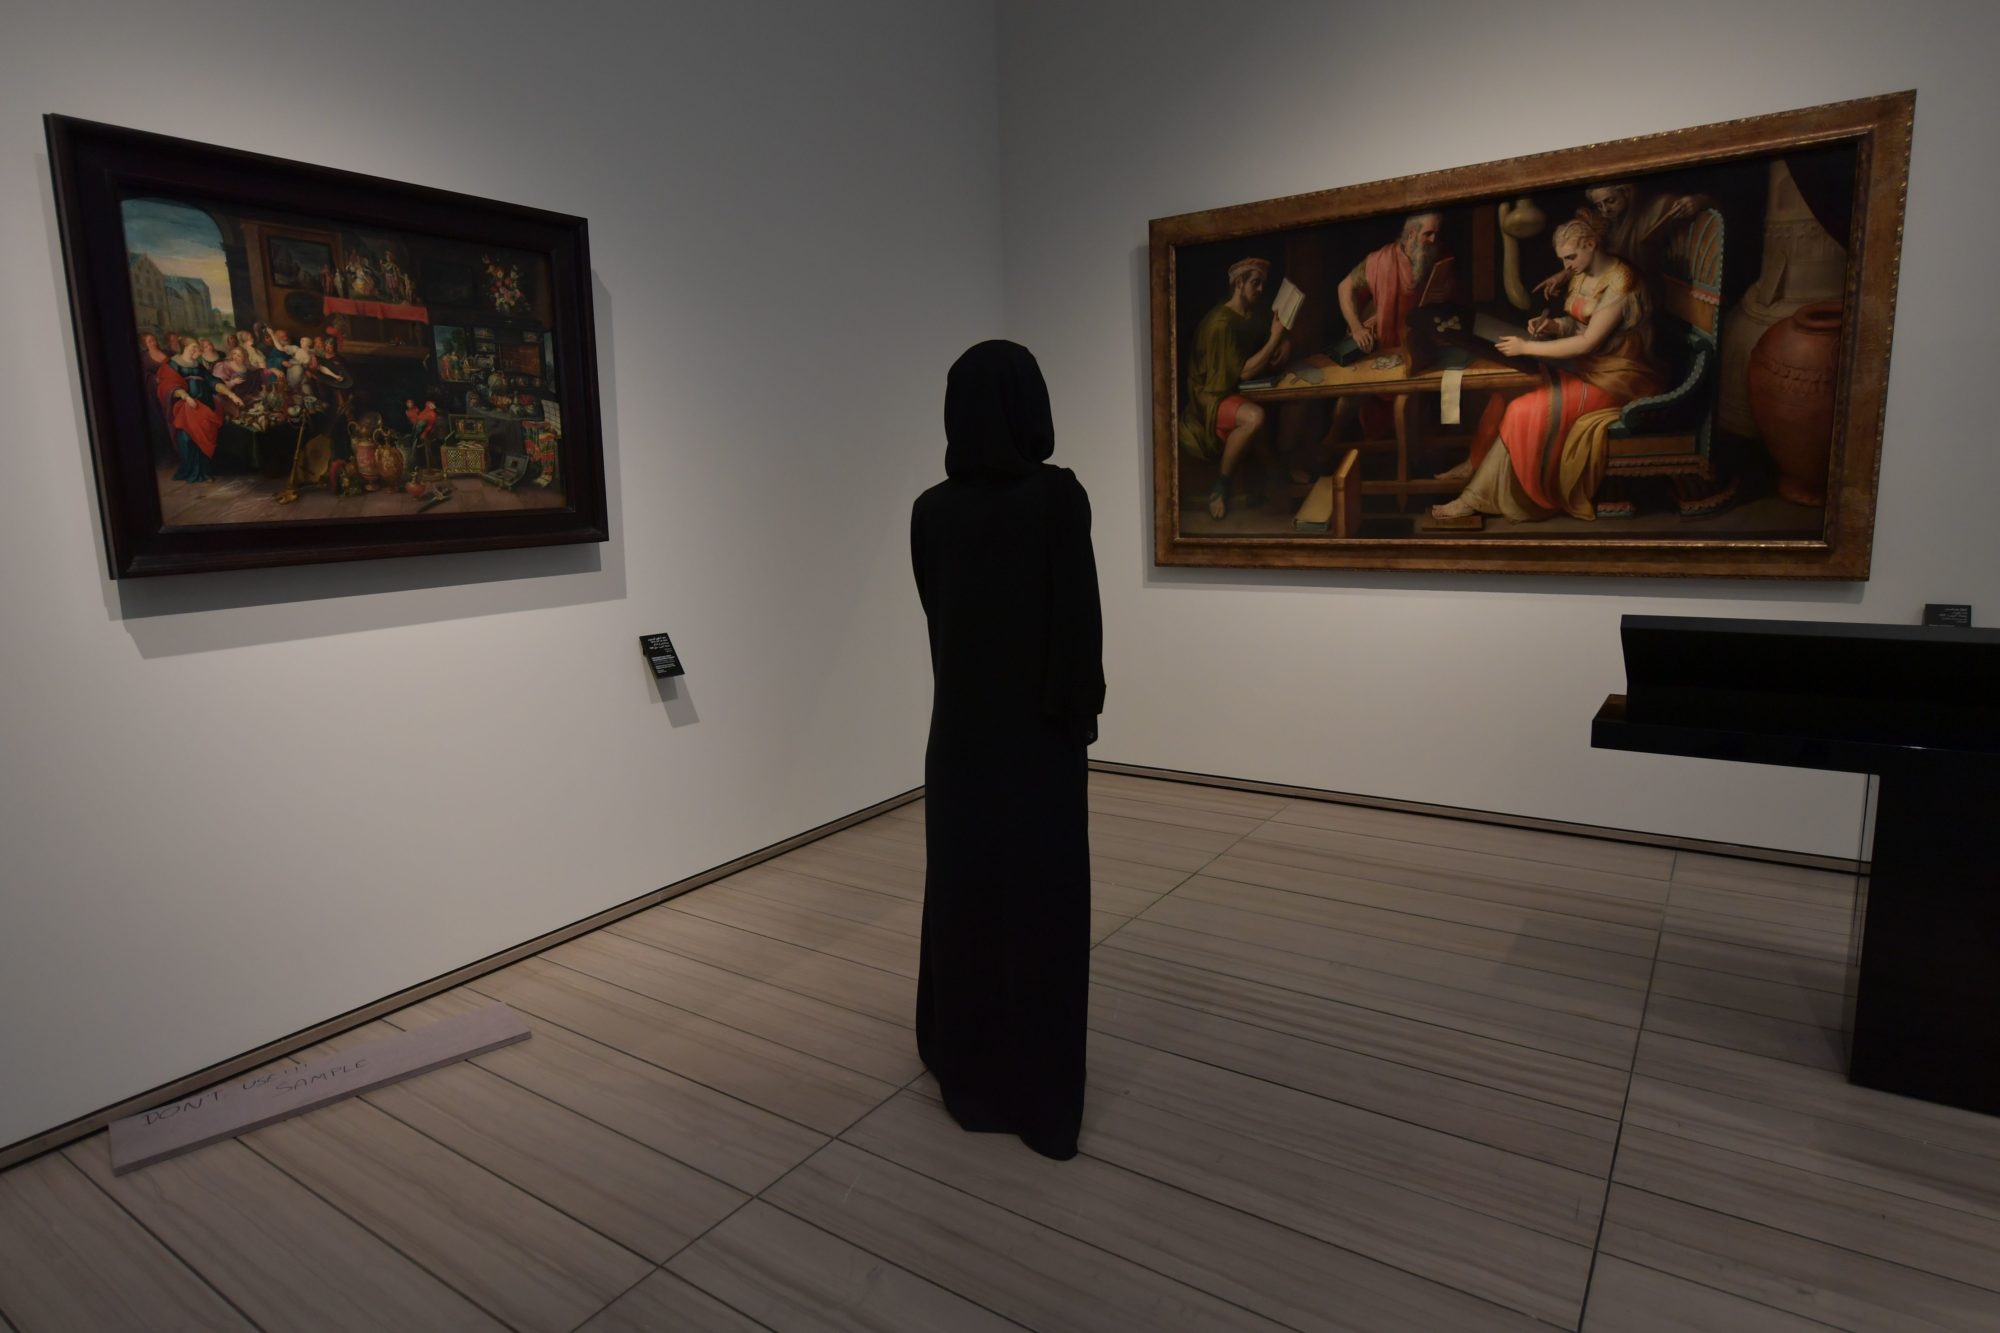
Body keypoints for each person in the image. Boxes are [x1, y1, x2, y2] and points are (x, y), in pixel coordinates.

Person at [909, 340, 1104, 1162]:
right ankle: (1035, 1090)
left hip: (958, 739)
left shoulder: (929, 508)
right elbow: (1077, 630)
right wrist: (1080, 719)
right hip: (1036, 740)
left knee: (967, 900)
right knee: (1039, 908)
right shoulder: (1056, 499)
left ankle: (962, 1056)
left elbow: (939, 624)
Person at [1432, 210, 1664, 521]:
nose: (1566, 267)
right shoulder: (1582, 273)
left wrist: (1527, 346)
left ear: (1591, 244)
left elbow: (1588, 342)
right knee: (1506, 393)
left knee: (1522, 410)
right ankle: (1475, 463)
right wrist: (1552, 325)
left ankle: (1474, 498)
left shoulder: (1623, 282)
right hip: (1586, 367)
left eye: (1570, 257)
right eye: (1563, 260)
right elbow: (1577, 325)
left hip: (1617, 377)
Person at [1177, 257, 1290, 519]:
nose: (1260, 289)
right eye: (1255, 283)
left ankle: (1276, 477)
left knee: (1265, 416)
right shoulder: (1221, 324)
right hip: (1210, 397)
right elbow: (1243, 372)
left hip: (1231, 390)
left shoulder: (1250, 312)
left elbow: (1269, 338)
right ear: (1238, 283)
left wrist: (1284, 343)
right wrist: (1274, 339)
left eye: (1262, 284)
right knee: (1254, 418)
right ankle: (1221, 487)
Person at [1337, 211, 1451, 356]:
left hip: (1418, 338)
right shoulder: (1380, 260)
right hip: (1381, 339)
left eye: (1436, 234)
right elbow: (1344, 287)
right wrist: (1356, 328)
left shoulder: (1433, 256)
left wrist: (1444, 293)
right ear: (1411, 234)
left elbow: (1447, 290)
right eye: (1428, 234)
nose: (1433, 239)